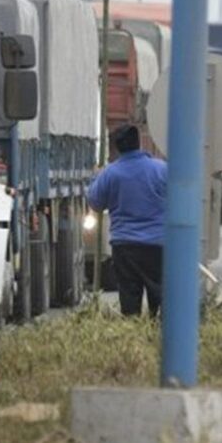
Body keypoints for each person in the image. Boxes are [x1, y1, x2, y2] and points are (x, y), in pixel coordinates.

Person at [87, 124, 167, 317]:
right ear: (139, 143)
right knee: (162, 298)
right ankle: (159, 336)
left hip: (125, 246)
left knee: (130, 300)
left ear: (116, 148)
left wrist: (95, 179)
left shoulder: (111, 173)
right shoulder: (162, 169)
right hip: (159, 245)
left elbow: (95, 203)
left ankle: (132, 337)